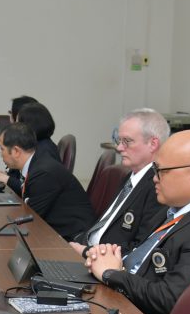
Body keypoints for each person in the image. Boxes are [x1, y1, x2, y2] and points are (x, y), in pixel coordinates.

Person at [86, 130, 190, 314]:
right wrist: (102, 256)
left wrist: (112, 274)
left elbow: (171, 300)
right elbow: (138, 254)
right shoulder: (173, 207)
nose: (154, 178)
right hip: (125, 302)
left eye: (160, 171)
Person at [70, 108, 169, 257]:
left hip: (102, 261)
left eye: (127, 141)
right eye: (119, 141)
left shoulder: (159, 187)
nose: (119, 147)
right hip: (86, 247)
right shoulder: (130, 177)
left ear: (153, 144)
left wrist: (86, 252)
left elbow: (139, 250)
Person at [0, 122, 94, 241]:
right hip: (55, 230)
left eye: (2, 148)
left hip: (73, 237)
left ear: (16, 151)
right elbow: (28, 194)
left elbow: (30, 218)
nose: (0, 154)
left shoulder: (43, 173)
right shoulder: (36, 162)